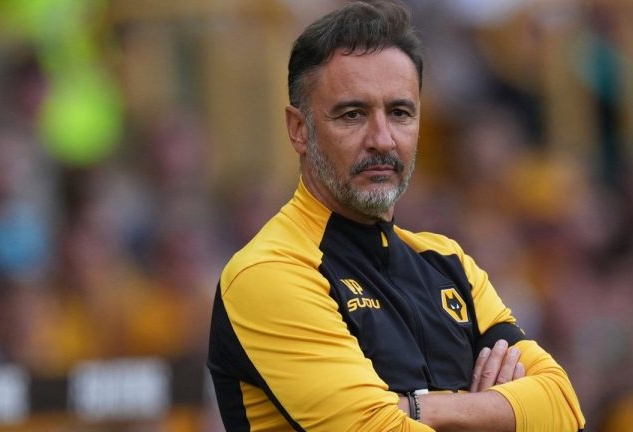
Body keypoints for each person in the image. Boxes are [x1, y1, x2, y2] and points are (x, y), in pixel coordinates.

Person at [207, 1, 585, 430]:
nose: (382, 139)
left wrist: (415, 409)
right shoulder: (268, 272)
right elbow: (373, 428)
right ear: (299, 129)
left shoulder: (449, 263)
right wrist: (493, 411)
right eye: (353, 114)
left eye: (400, 113)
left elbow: (563, 408)